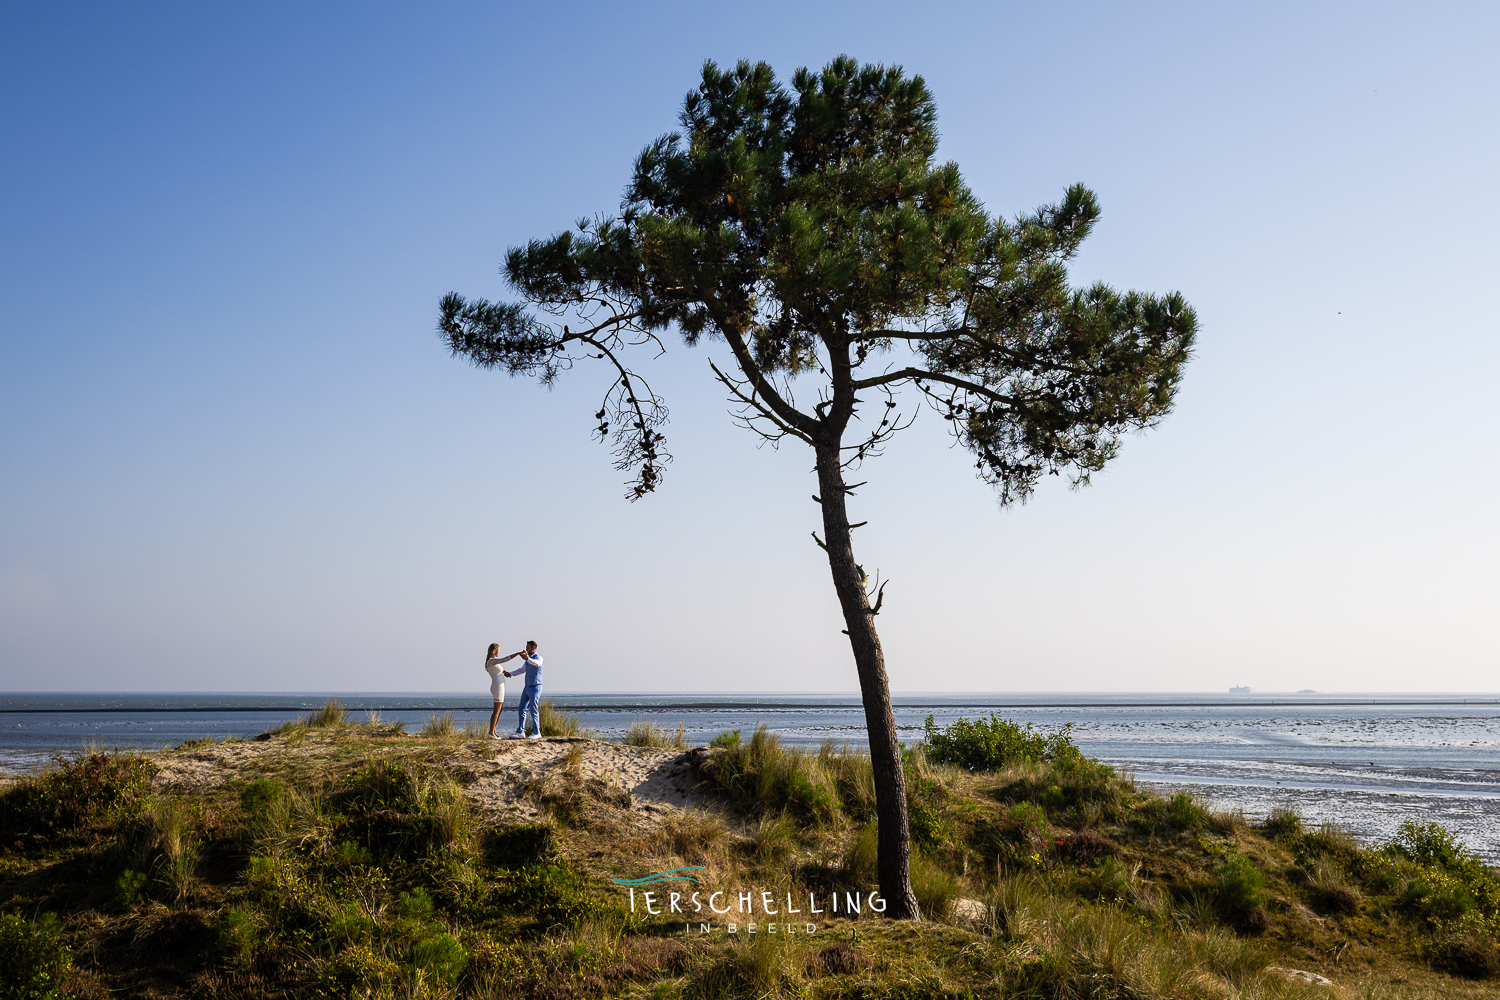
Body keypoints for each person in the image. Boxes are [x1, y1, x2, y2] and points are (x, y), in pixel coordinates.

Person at [503, 640, 543, 739]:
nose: (526, 650)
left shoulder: (538, 657)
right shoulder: (527, 660)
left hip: (535, 686)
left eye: (528, 648)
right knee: (521, 708)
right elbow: (522, 670)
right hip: (527, 687)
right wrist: (511, 673)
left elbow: (537, 664)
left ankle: (537, 732)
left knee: (533, 709)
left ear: (533, 648)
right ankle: (520, 731)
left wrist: (527, 658)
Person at [483, 643, 523, 739]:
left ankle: (493, 732)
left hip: (498, 686)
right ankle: (491, 733)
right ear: (494, 651)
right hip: (497, 687)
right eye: (498, 650)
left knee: (498, 711)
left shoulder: (492, 662)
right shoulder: (491, 661)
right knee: (497, 711)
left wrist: (504, 672)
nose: (499, 652)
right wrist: (517, 653)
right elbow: (505, 659)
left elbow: (497, 670)